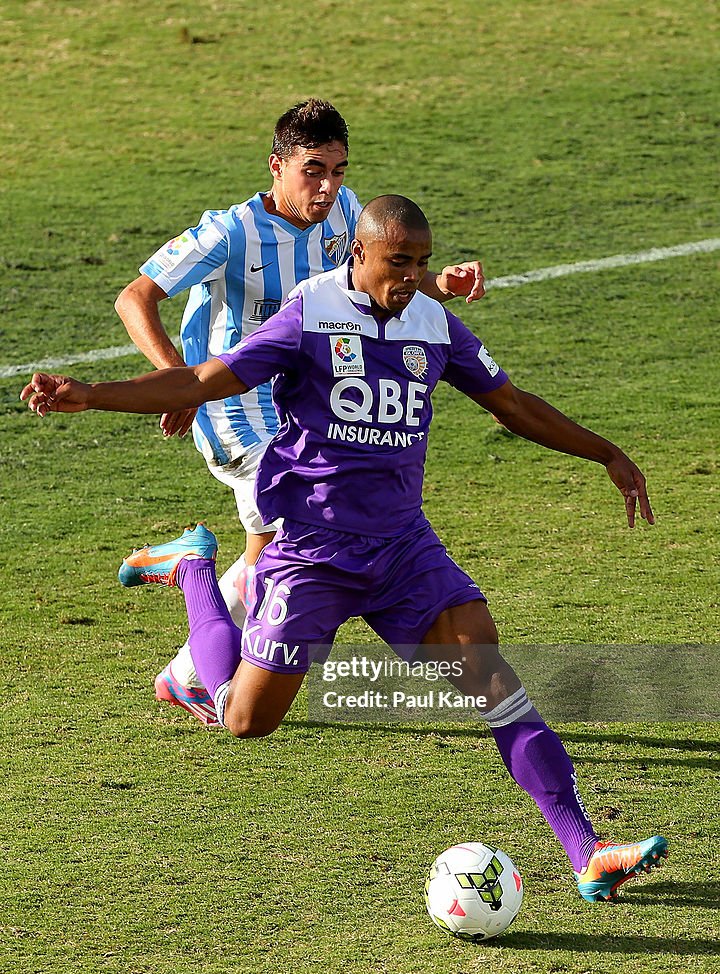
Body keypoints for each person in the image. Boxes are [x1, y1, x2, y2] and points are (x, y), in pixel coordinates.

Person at [21, 195, 667, 902]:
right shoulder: (310, 315)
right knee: (245, 719)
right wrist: (96, 392)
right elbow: (206, 379)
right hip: (311, 554)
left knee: (491, 680)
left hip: (400, 548)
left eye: (421, 263)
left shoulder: (432, 322)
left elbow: (510, 404)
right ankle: (194, 573)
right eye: (399, 262)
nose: (412, 278)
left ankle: (587, 849)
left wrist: (605, 452)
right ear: (358, 254)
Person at [113, 98, 486, 724]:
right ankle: (198, 604)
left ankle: (188, 663)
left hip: (308, 402)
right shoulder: (228, 233)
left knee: (274, 551)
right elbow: (135, 297)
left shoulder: (345, 212)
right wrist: (172, 377)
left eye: (338, 171)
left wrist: (439, 284)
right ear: (277, 166)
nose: (328, 186)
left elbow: (374, 273)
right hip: (233, 402)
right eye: (313, 170)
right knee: (295, 535)